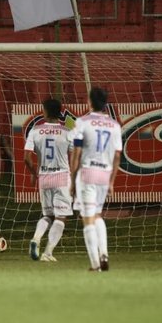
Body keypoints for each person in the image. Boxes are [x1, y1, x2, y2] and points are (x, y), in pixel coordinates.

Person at [70, 87, 122, 272]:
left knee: (87, 218)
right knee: (98, 215)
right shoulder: (115, 126)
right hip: (104, 175)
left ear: (89, 101)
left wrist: (72, 178)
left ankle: (94, 264)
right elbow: (117, 156)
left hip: (87, 174)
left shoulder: (82, 122)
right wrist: (112, 181)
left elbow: (76, 153)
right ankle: (104, 254)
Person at [24, 99, 73, 262]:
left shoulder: (35, 131)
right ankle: (48, 252)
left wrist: (34, 173)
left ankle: (36, 238)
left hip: (44, 177)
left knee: (47, 215)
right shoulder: (67, 132)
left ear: (45, 111)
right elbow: (75, 155)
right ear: (59, 112)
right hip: (62, 177)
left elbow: (27, 158)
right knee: (60, 217)